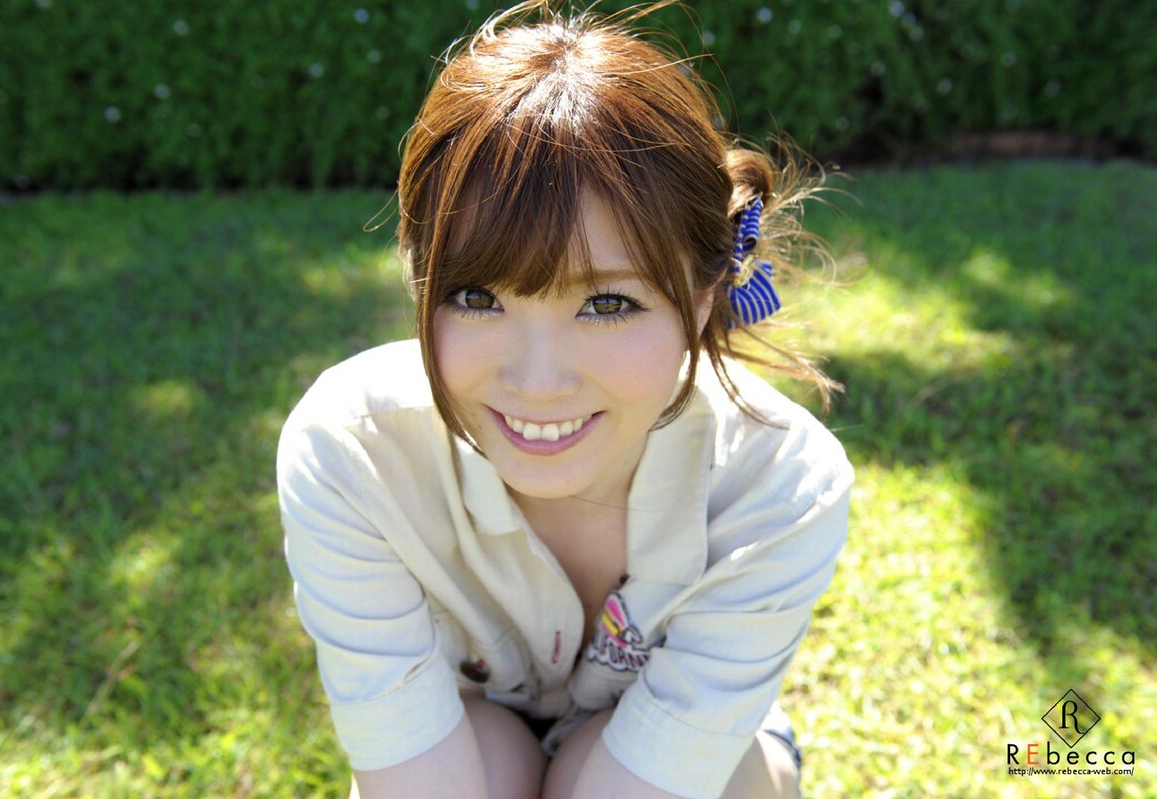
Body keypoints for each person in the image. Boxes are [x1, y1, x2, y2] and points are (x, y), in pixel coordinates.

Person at [276, 2, 853, 797]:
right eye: (477, 297)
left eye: (607, 304)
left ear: (701, 297)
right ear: (417, 281)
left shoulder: (777, 483)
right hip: (473, 720)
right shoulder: (354, 450)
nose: (538, 380)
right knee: (488, 761)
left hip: (690, 755)